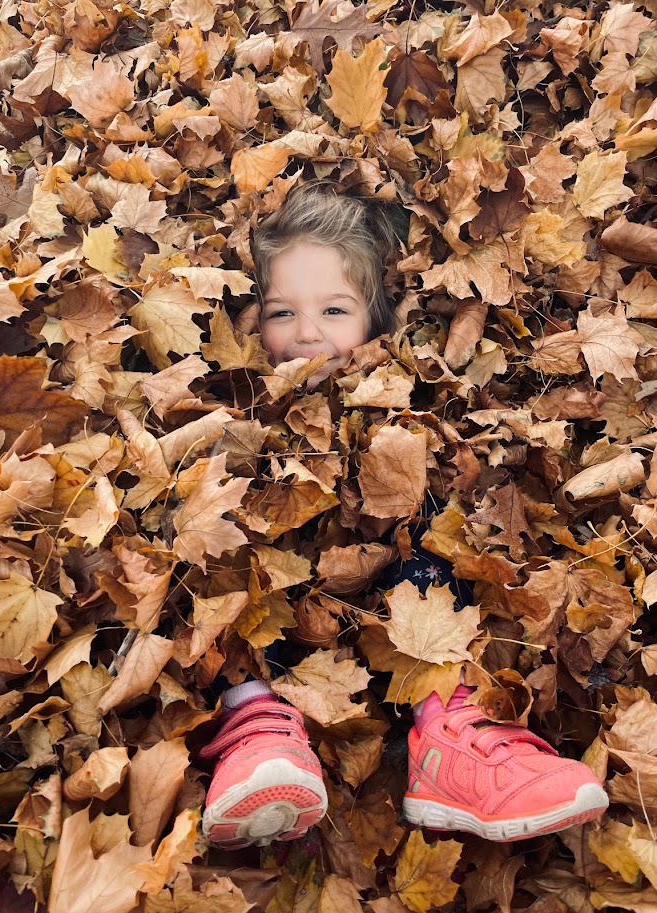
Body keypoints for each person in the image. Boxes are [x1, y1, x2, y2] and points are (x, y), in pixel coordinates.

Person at [199, 184, 608, 849]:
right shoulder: (231, 416)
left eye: (333, 309)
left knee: (421, 498)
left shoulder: (397, 410)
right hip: (274, 613)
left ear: (372, 321)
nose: (305, 332)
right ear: (249, 323)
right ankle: (255, 726)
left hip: (390, 611)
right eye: (282, 311)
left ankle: (446, 734)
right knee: (209, 519)